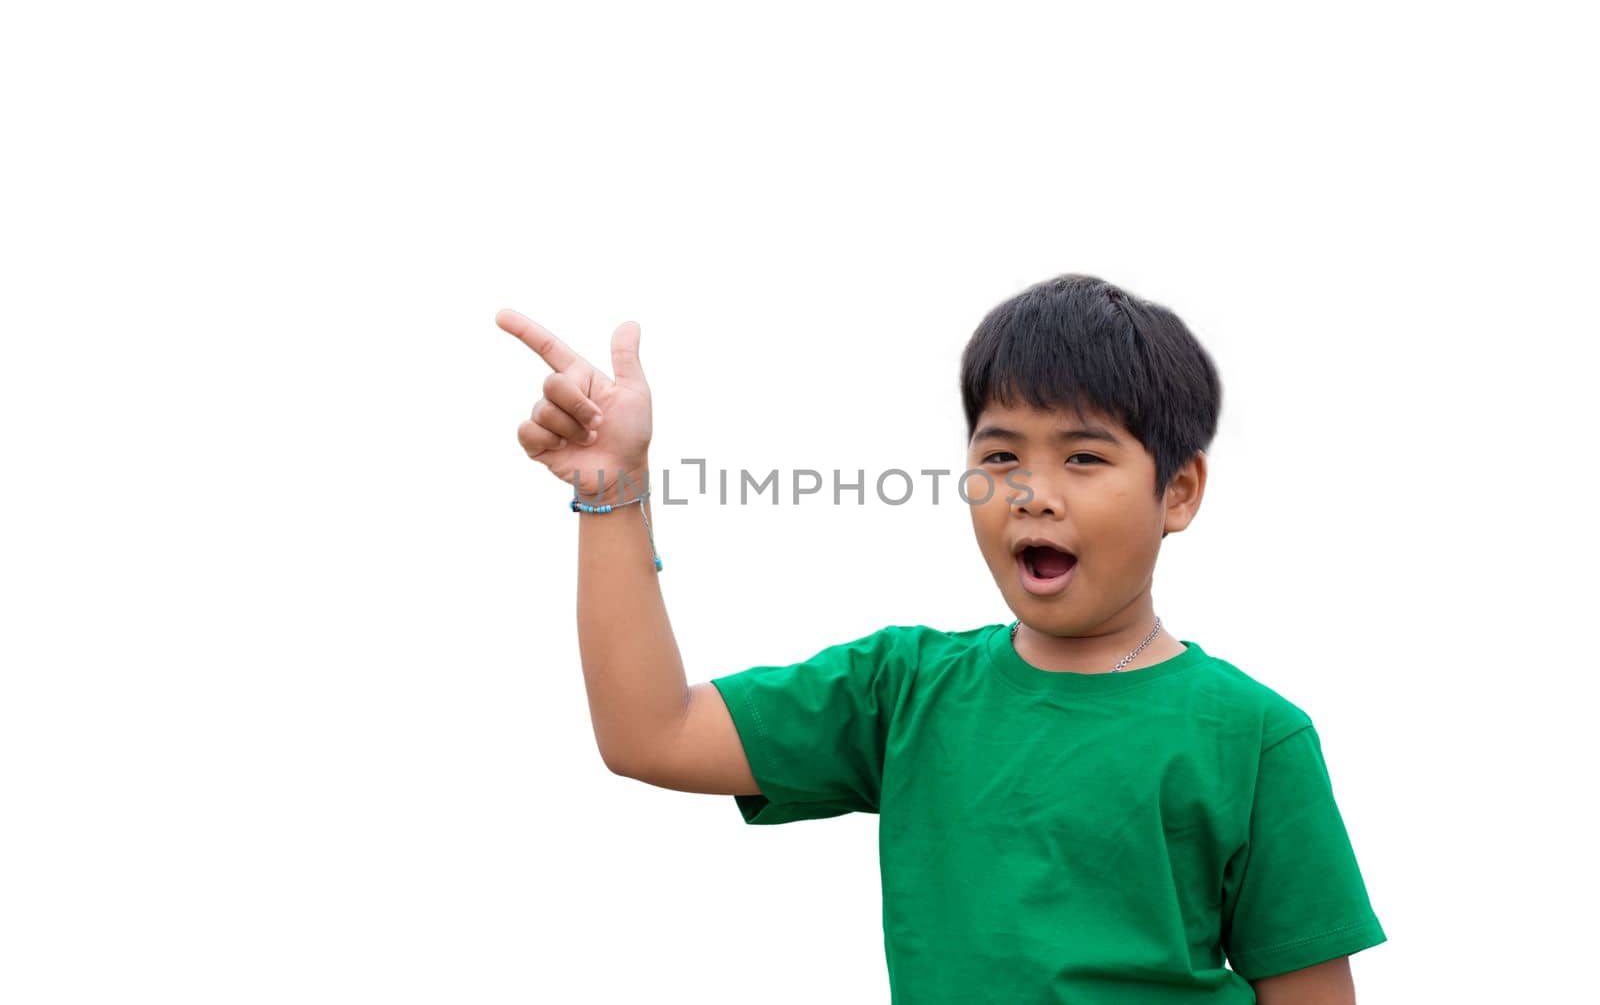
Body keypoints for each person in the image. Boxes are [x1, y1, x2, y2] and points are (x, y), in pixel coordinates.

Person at [495, 273, 1387, 1004]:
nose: (1032, 492)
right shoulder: (905, 690)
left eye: (1083, 457)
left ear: (1180, 492)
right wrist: (612, 491)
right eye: (1000, 456)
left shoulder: (1255, 735)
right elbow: (649, 732)